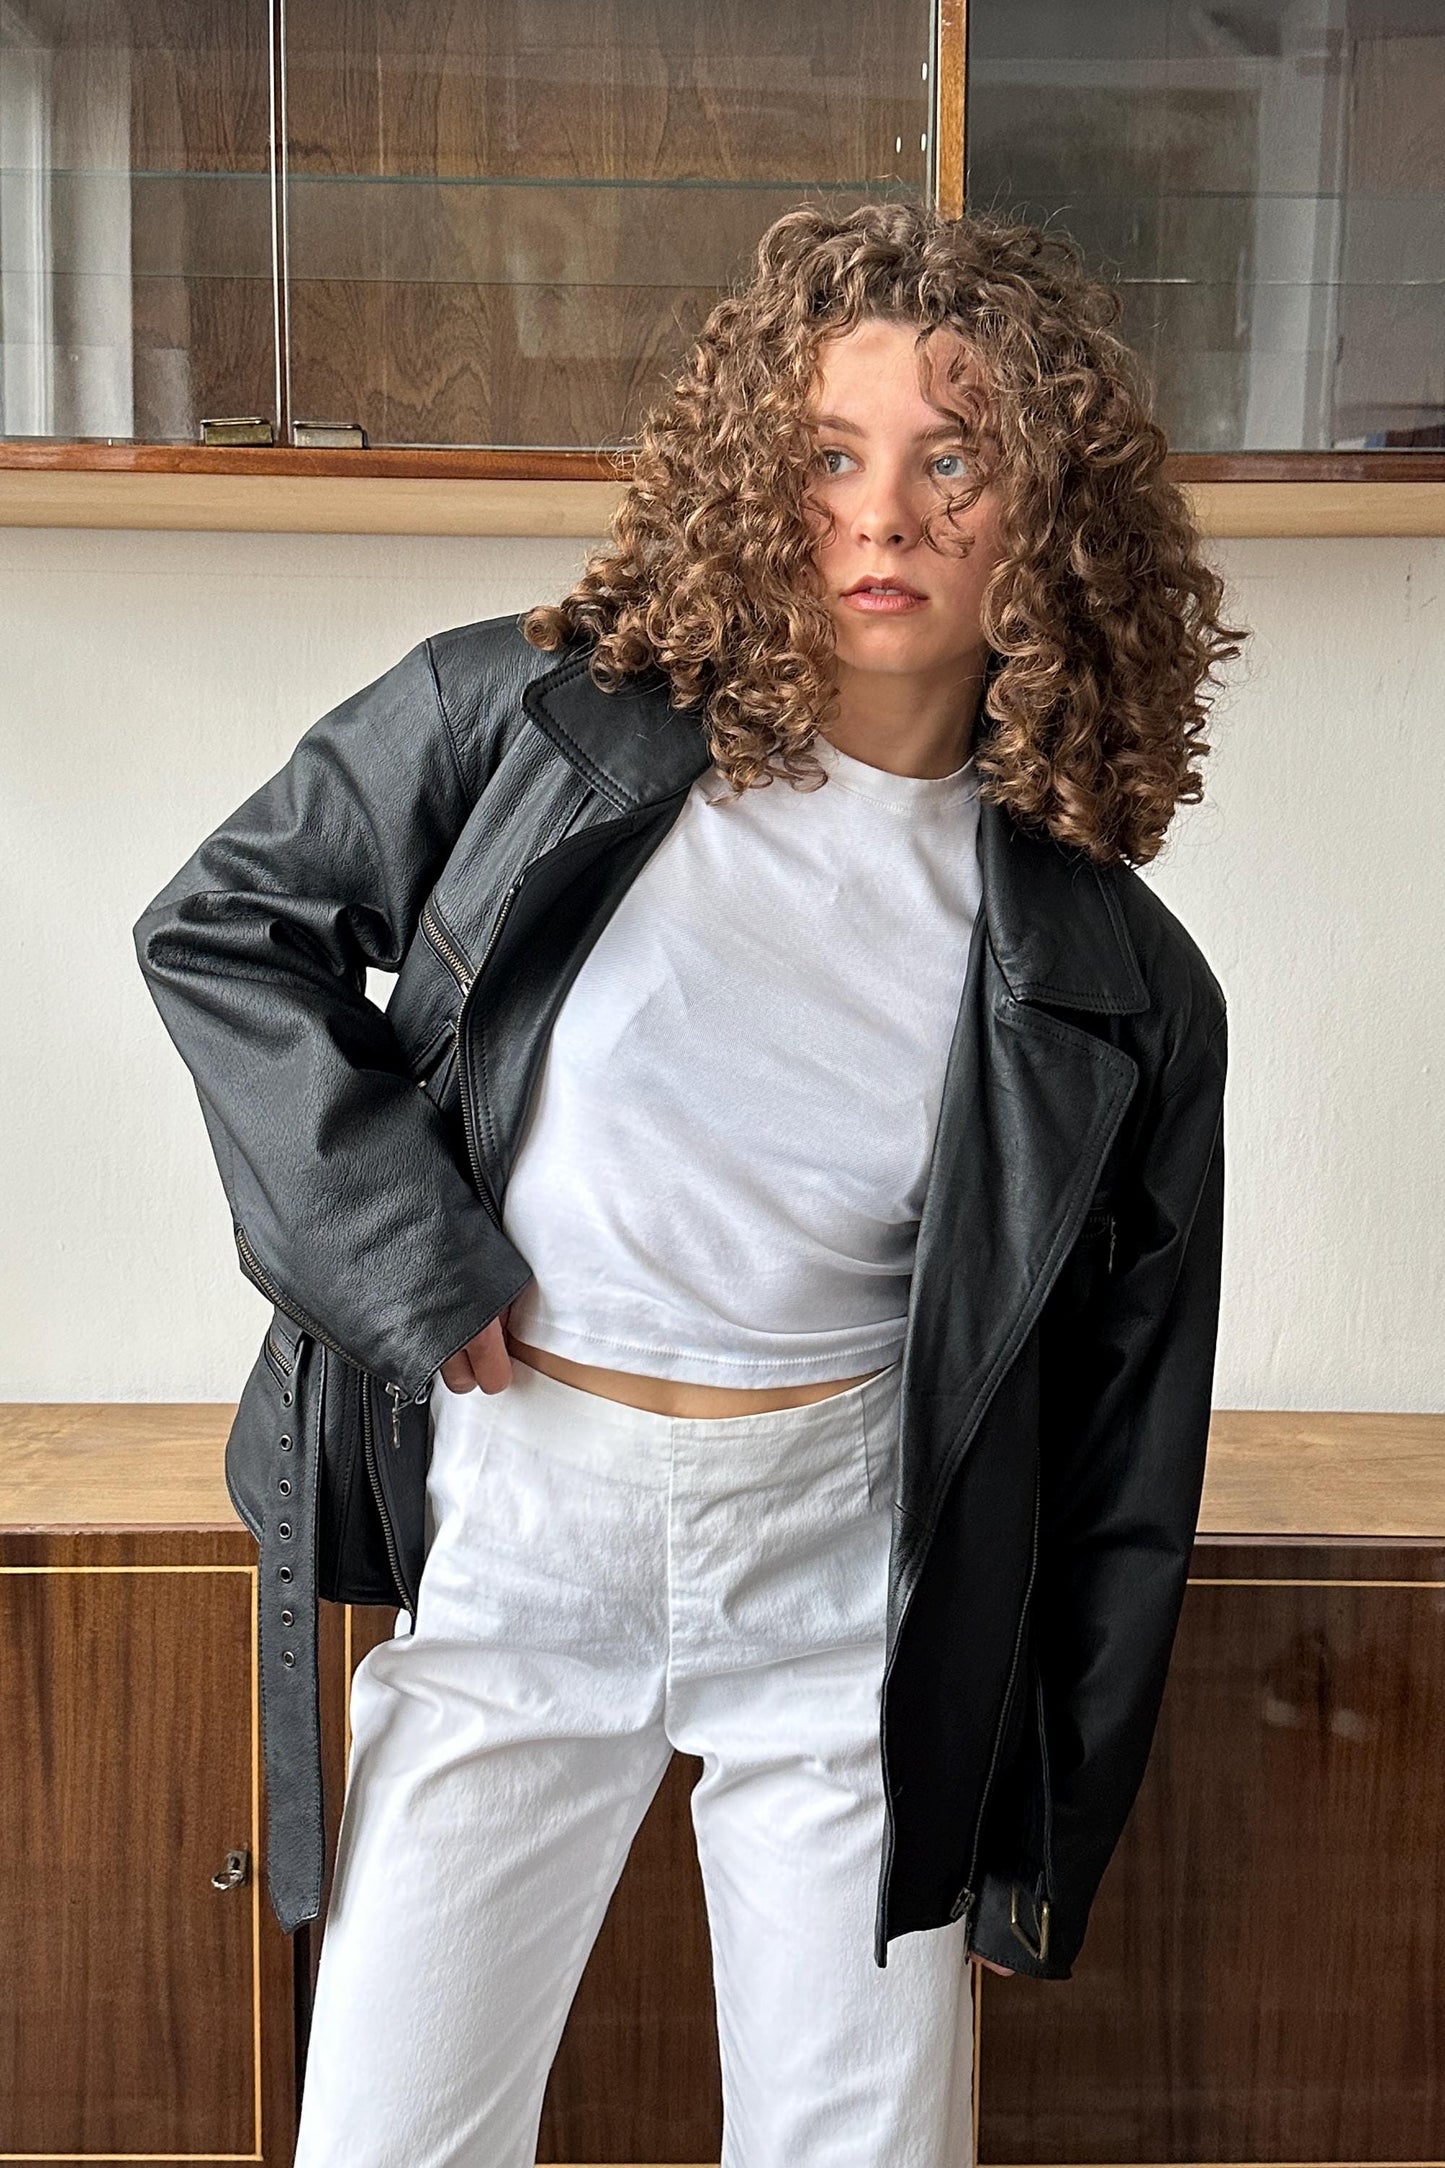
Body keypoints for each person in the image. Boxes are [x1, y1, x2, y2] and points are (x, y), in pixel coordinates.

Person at [135, 200, 1243, 2167]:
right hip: (531, 1519)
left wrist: (1028, 1846)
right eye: (832, 454)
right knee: (389, 2136)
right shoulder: (531, 721)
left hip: (852, 1579)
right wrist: (401, 1248)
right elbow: (226, 925)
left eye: (951, 458)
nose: (883, 514)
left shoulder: (1116, 977)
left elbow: (1121, 1463)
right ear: (758, 474)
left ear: (1048, 517)